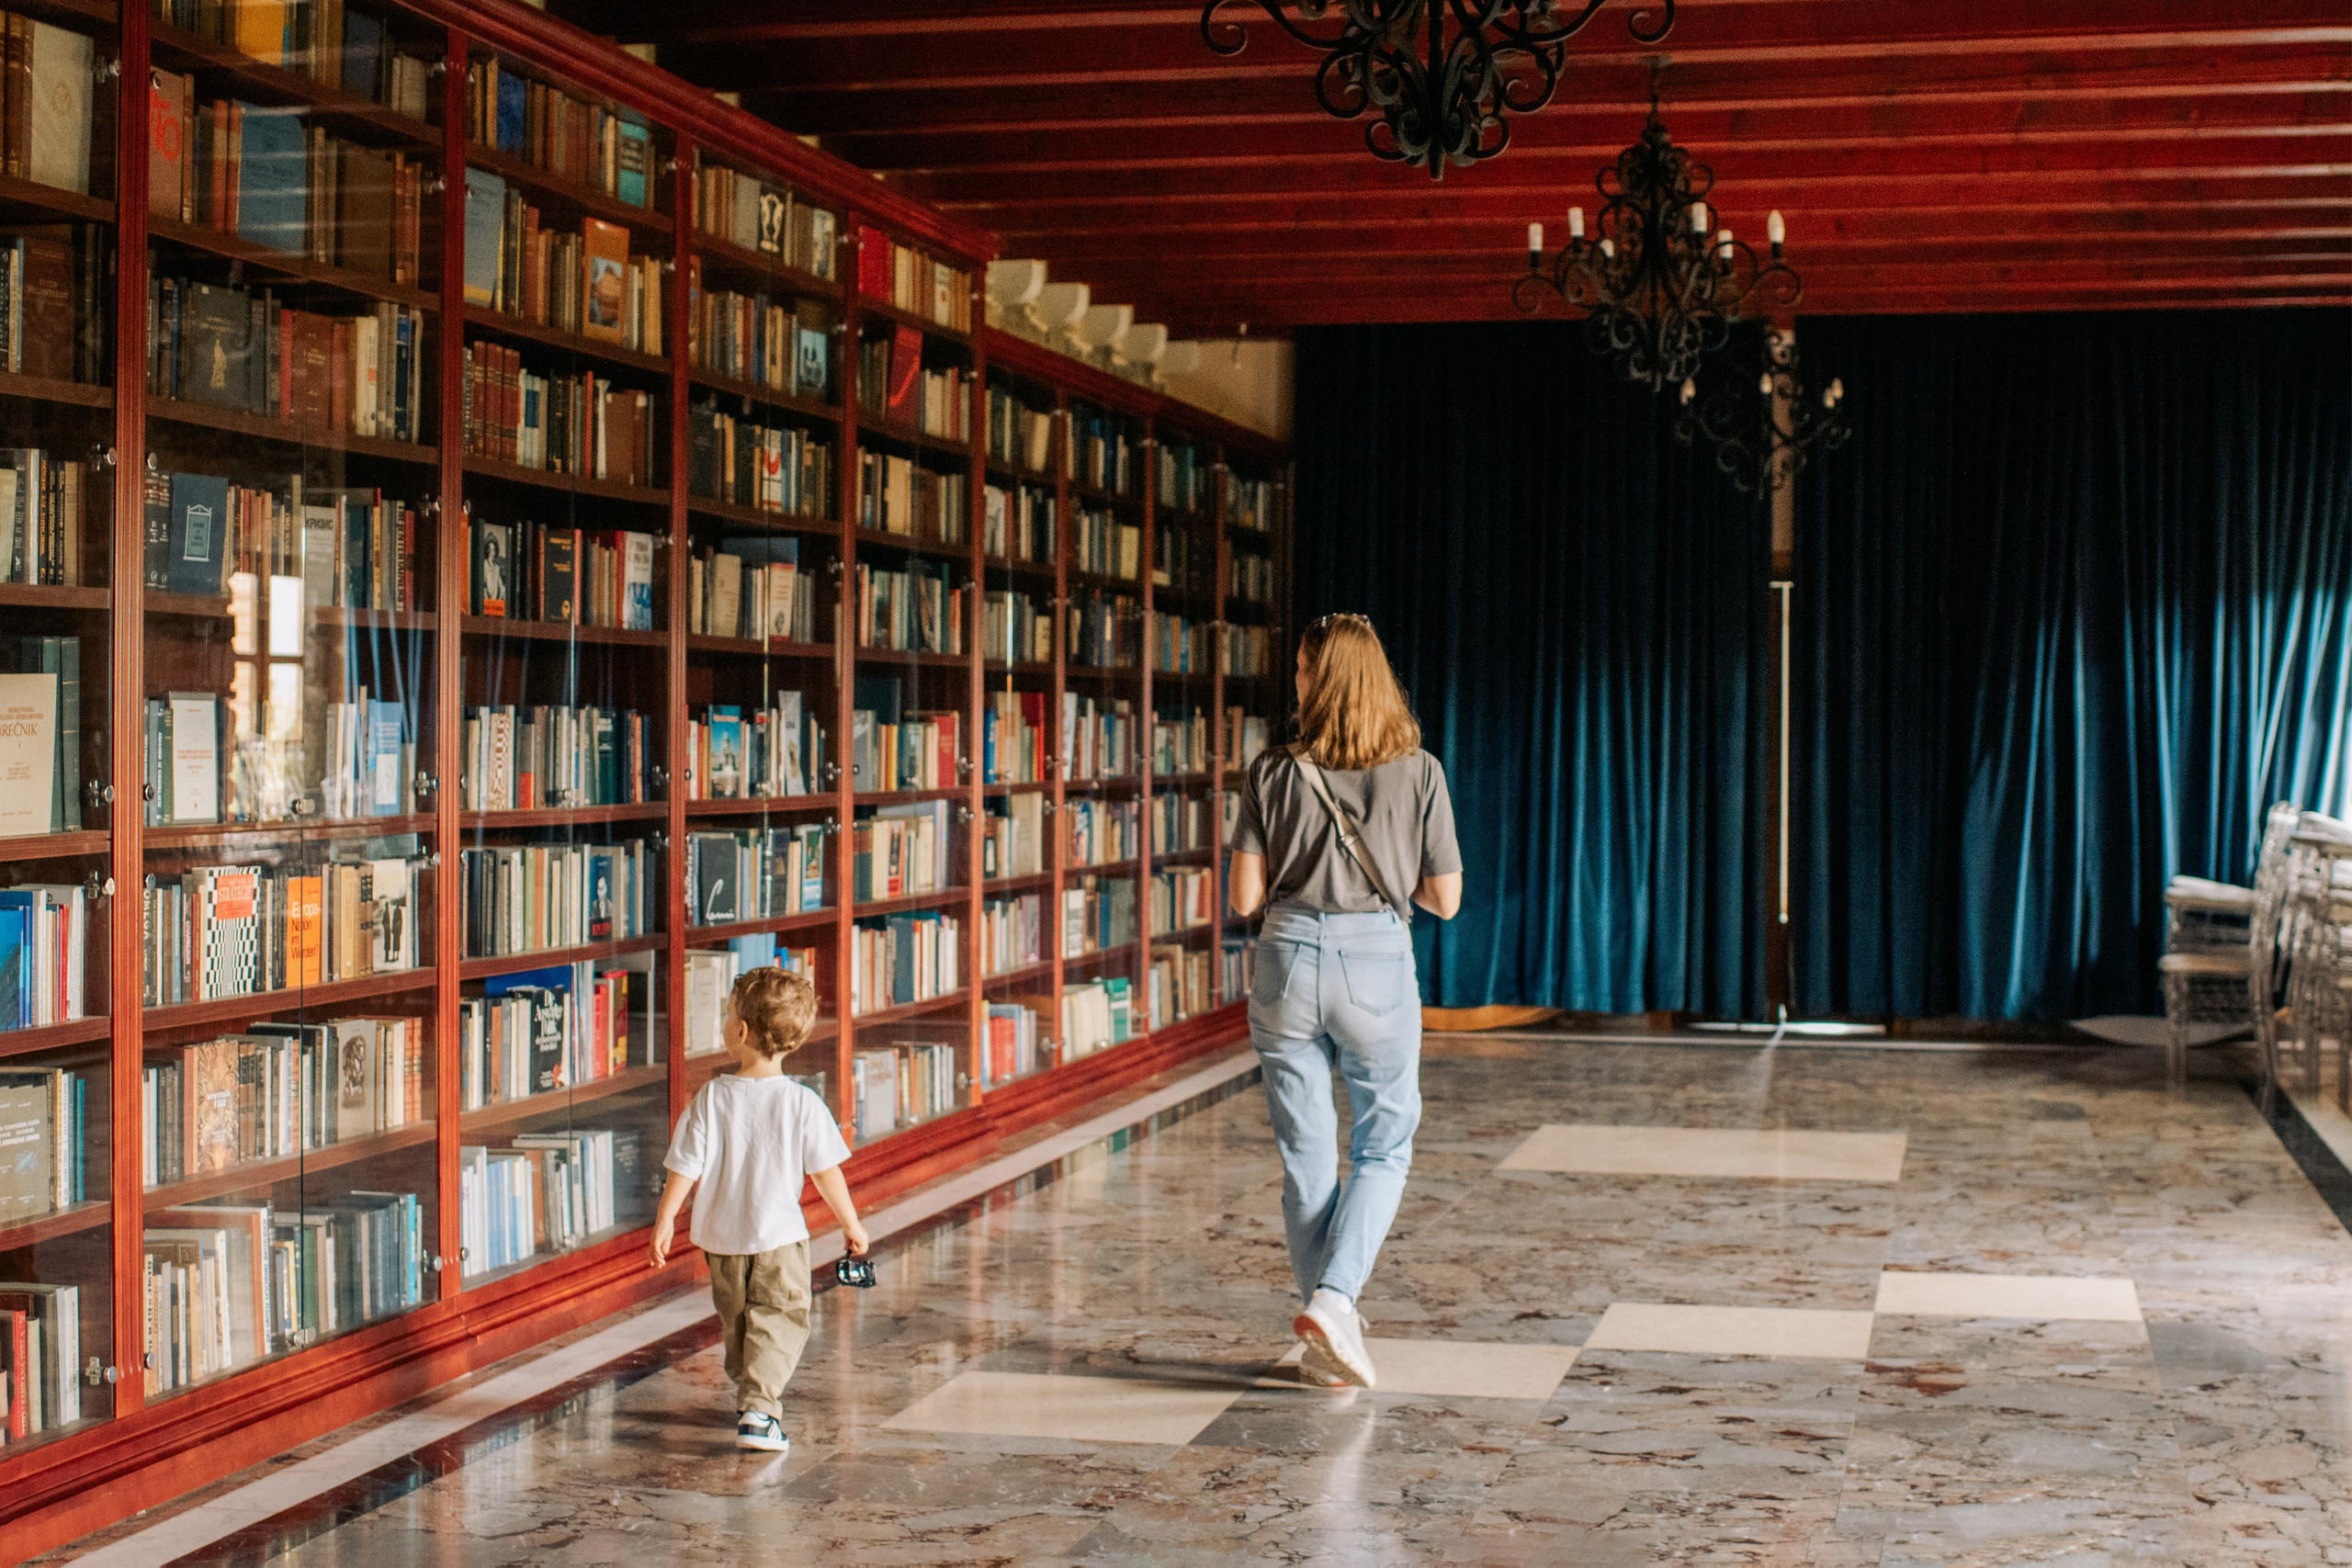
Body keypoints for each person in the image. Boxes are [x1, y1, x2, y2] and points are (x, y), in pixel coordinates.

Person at [1227, 613, 1463, 1391]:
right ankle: (1334, 1301)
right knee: (1385, 1143)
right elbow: (1446, 899)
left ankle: (1328, 1336)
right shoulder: (1419, 769)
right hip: (1375, 964)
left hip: (1286, 958)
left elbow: (1244, 896)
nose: (1293, 680)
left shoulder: (1269, 771)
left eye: (1300, 668)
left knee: (1306, 1160)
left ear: (1319, 681)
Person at [649, 966, 869, 1451]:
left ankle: (752, 1394)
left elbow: (685, 1163)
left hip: (721, 1241)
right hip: (779, 1240)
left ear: (741, 1032)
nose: (726, 1023)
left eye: (728, 1015)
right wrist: (850, 1223)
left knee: (739, 1320)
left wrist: (666, 1218)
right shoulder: (802, 1103)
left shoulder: (712, 1097)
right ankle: (759, 1410)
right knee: (781, 1317)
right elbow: (826, 1171)